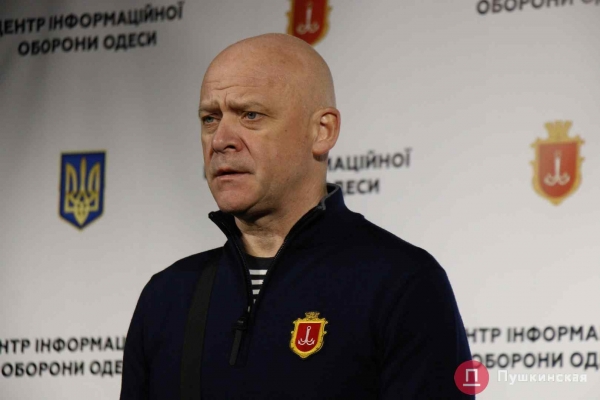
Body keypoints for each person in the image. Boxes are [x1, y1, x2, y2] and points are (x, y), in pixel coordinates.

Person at [121, 33, 473, 399]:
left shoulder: (402, 283)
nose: (220, 139)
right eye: (210, 118)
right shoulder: (168, 294)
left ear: (322, 131)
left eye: (250, 115)